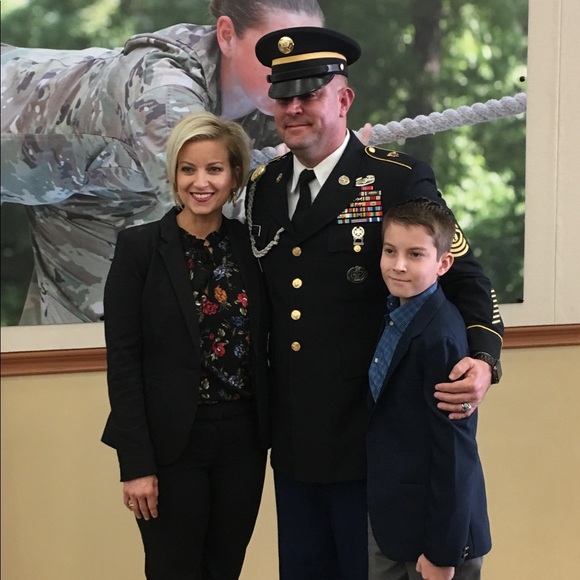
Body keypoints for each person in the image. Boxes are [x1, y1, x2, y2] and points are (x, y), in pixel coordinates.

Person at [247, 26, 503, 580]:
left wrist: (484, 360)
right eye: (283, 97)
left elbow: (467, 277)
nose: (294, 108)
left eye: (309, 94)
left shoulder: (395, 179)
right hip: (294, 438)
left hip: (372, 439)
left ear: (343, 100)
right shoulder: (262, 187)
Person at [0, 0, 324, 325]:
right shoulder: (164, 90)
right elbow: (205, 202)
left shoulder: (273, 101)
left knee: (100, 333)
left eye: (304, 60)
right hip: (14, 131)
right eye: (274, 52)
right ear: (227, 35)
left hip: (97, 191)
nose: (292, 72)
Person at [101, 111, 271, 579]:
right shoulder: (138, 249)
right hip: (171, 443)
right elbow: (124, 362)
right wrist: (135, 465)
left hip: (243, 440)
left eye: (214, 169)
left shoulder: (252, 246)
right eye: (188, 169)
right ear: (174, 175)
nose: (201, 182)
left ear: (234, 175)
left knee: (224, 569)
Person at [367, 198, 491, 580]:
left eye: (415, 254)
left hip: (436, 539)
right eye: (390, 251)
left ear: (444, 263)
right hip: (396, 522)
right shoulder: (396, 312)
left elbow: (454, 453)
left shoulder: (442, 338)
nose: (398, 265)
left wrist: (442, 553)